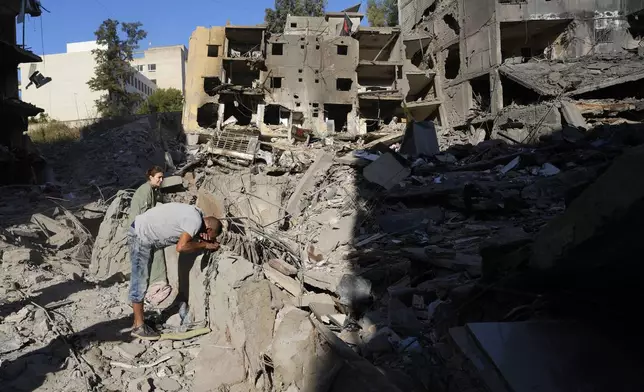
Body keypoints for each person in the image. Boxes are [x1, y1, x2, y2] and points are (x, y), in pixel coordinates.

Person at [128, 202, 222, 340]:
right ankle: (139, 327)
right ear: (208, 230)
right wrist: (205, 244)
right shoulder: (195, 221)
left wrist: (200, 239)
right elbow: (181, 247)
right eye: (211, 236)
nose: (209, 239)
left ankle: (138, 321)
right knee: (140, 280)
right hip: (141, 235)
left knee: (142, 279)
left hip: (142, 230)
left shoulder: (197, 214)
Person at [128, 166, 171, 306]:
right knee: (141, 265)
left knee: (155, 252)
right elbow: (141, 216)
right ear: (150, 178)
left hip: (145, 229)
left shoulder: (154, 190)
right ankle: (136, 298)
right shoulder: (145, 191)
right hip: (138, 230)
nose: (161, 180)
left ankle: (154, 286)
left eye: (162, 177)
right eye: (158, 177)